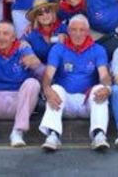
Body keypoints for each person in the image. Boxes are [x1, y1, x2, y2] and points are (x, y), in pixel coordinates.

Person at [39, 14, 112, 152]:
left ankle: (99, 135)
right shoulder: (58, 49)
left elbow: (104, 75)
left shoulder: (98, 50)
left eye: (81, 30)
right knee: (54, 88)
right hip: (64, 102)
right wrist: (46, 88)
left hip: (87, 102)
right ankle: (53, 135)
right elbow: (48, 74)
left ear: (87, 32)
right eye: (74, 30)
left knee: (100, 88)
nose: (78, 34)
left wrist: (107, 87)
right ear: (68, 31)